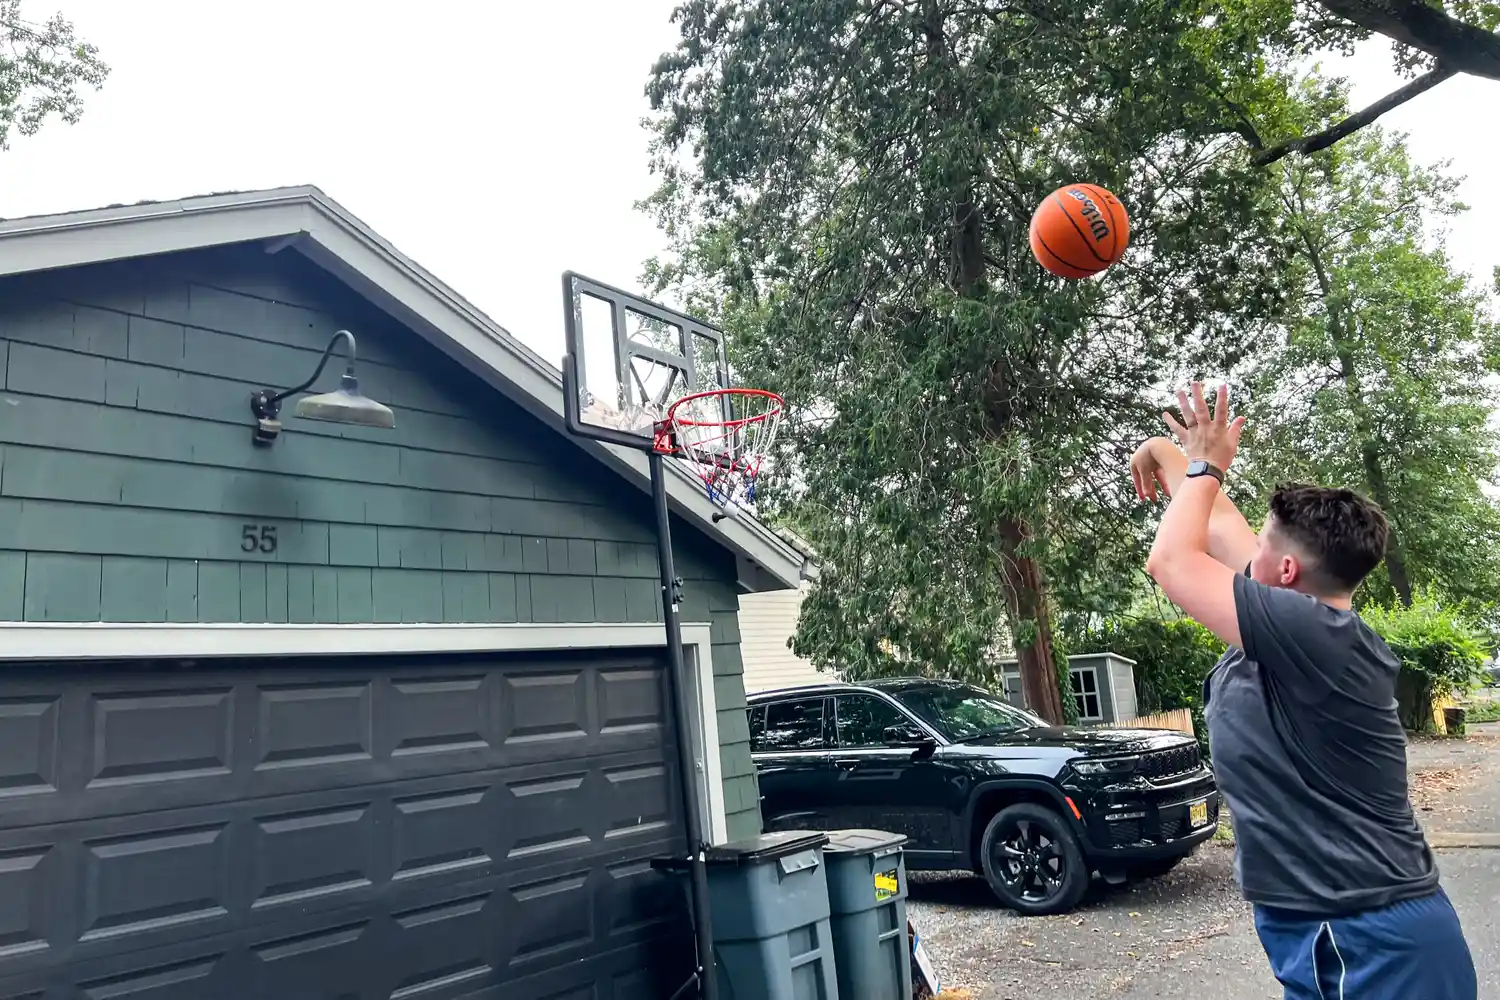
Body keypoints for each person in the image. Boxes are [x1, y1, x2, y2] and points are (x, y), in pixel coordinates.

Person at [1132, 381, 1477, 1000]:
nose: (1247, 558)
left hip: (1368, 939)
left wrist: (1207, 467)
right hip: (1330, 929)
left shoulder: (1318, 634)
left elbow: (1173, 561)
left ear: (1286, 571)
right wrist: (1166, 452)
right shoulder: (1296, 622)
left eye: (1262, 548)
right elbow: (1218, 520)